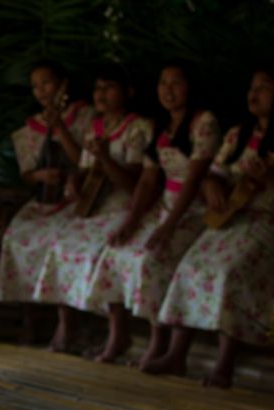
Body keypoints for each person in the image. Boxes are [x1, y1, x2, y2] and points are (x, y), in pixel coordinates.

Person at [145, 68, 274, 387]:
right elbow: (216, 172)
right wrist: (212, 185)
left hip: (273, 223)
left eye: (264, 88)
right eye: (252, 87)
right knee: (190, 265)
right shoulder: (238, 135)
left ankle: (225, 363)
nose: (254, 94)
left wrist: (272, 179)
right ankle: (176, 354)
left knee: (230, 271)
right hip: (233, 218)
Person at [85, 62, 221, 367]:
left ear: (190, 87)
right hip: (163, 207)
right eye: (163, 83)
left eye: (176, 83)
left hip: (193, 210)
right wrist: (131, 221)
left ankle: (161, 345)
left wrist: (169, 225)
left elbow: (194, 179)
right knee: (116, 251)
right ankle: (117, 335)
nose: (168, 90)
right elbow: (147, 180)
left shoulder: (203, 122)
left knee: (153, 259)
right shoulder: (160, 124)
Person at [33, 64, 152, 352]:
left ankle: (117, 333)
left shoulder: (140, 127)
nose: (101, 94)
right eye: (98, 88)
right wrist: (74, 182)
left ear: (128, 92)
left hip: (124, 207)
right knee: (60, 243)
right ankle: (67, 325)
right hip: (93, 207)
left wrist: (106, 159)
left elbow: (134, 182)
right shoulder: (95, 126)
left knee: (104, 250)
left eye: (109, 87)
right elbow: (85, 170)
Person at [0, 60, 93, 341]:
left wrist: (60, 126)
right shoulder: (29, 130)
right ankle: (29, 320)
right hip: (42, 202)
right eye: (35, 86)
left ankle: (66, 320)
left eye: (47, 83)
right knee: (16, 238)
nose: (41, 91)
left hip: (76, 201)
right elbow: (27, 174)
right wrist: (39, 176)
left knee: (58, 242)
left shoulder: (85, 118)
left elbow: (84, 161)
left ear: (63, 85)